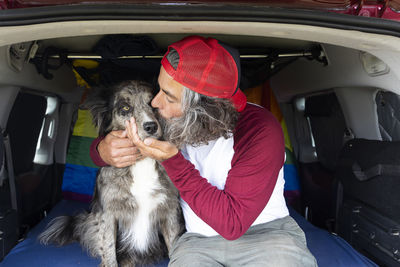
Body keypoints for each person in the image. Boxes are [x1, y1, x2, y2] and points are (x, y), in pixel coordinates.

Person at [90, 35, 317, 266]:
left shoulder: (260, 129)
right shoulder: (171, 117)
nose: (155, 104)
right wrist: (101, 150)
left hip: (267, 237)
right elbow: (114, 137)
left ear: (202, 105)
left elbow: (232, 223)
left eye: (168, 96)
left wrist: (173, 160)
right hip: (197, 242)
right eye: (159, 89)